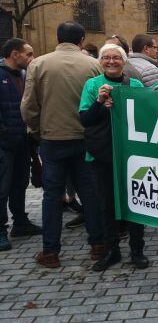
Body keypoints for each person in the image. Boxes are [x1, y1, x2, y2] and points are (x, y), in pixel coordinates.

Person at [21, 21, 105, 268]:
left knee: (51, 196)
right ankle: (98, 245)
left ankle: (50, 252)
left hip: (52, 138)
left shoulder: (38, 64)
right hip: (84, 137)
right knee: (90, 193)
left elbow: (28, 106)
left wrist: (37, 131)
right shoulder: (93, 64)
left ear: (58, 39)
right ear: (81, 40)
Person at [79, 44, 149, 271]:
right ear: (100, 62)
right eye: (106, 58)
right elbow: (85, 119)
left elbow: (146, 116)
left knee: (136, 202)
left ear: (124, 61)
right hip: (102, 154)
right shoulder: (92, 85)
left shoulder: (136, 85)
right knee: (107, 204)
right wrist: (100, 102)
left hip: (131, 155)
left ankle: (137, 250)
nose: (111, 61)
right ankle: (112, 250)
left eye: (116, 58)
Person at [0, 39, 41, 251]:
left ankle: (20, 223)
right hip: (5, 144)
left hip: (23, 143)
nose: (31, 58)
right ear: (15, 54)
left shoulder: (25, 76)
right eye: (28, 54)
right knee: (2, 188)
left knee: (20, 184)